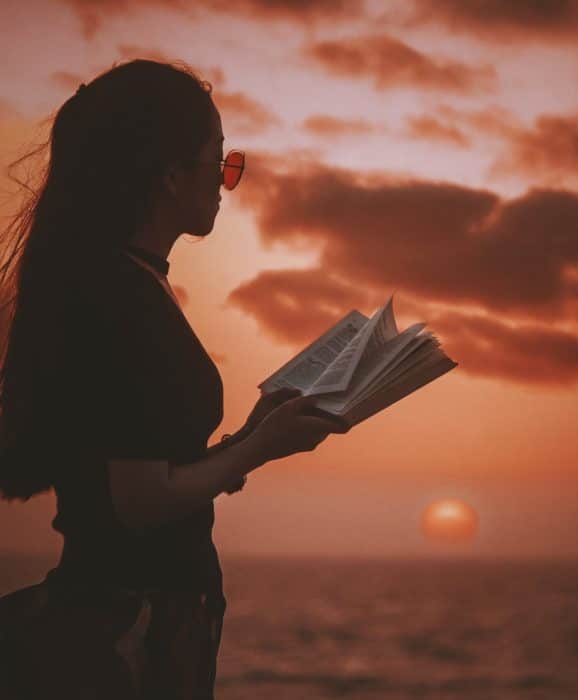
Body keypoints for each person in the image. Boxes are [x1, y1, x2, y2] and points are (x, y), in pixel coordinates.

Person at [0, 59, 346, 699]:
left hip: (142, 621)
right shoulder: (119, 296)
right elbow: (137, 503)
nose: (224, 181)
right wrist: (260, 447)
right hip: (124, 634)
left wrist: (246, 439)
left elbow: (147, 473)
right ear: (167, 175)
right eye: (218, 160)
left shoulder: (133, 282)